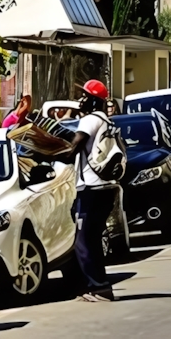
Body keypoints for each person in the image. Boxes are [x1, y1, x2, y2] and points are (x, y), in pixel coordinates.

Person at [71, 79, 120, 301]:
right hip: (106, 187)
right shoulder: (106, 121)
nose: (80, 100)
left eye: (84, 96)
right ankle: (98, 287)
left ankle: (98, 287)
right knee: (92, 239)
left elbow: (73, 149)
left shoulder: (89, 120)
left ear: (92, 100)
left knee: (82, 242)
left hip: (91, 187)